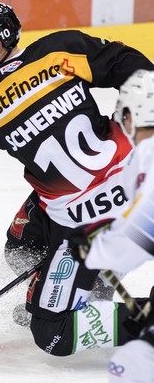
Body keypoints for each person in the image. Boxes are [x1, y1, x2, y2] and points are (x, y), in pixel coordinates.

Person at [0, 0, 154, 355]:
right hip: (130, 179)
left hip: (81, 223)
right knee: (22, 247)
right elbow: (129, 67)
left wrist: (7, 81)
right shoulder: (59, 50)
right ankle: (89, 285)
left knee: (52, 333)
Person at [69, 69, 154, 381]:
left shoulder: (148, 154)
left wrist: (96, 249)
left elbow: (145, 228)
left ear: (131, 116)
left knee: (131, 365)